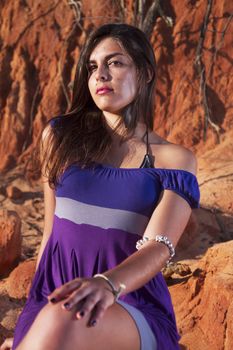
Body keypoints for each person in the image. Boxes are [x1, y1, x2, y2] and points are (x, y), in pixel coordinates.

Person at [1, 23, 200, 350]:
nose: (100, 75)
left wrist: (108, 284)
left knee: (65, 316)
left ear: (146, 73)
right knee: (57, 317)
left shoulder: (174, 160)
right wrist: (30, 324)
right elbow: (50, 236)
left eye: (115, 62)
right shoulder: (59, 137)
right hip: (54, 298)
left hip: (130, 304)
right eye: (93, 66)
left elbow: (159, 246)